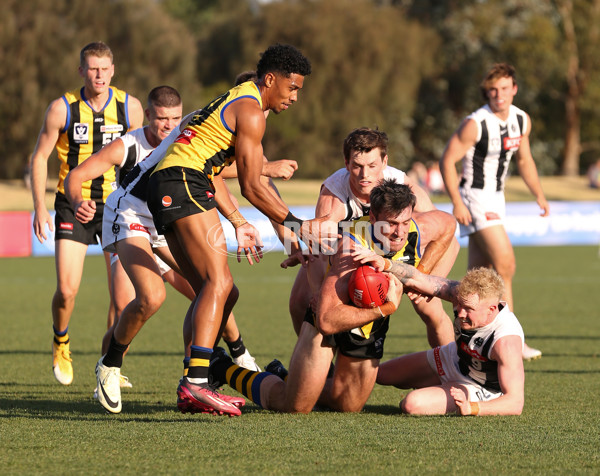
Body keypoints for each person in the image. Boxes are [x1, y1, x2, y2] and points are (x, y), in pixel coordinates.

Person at [209, 180, 456, 413]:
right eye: (391, 224)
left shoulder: (416, 228)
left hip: (368, 328)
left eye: (404, 222)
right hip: (328, 322)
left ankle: (287, 376)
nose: (399, 233)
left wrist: (419, 272)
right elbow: (327, 320)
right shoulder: (352, 251)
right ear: (373, 219)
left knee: (347, 405)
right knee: (294, 406)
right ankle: (221, 367)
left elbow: (448, 225)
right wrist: (385, 309)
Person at [30, 41, 144, 386]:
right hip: (72, 204)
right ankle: (61, 340)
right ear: (81, 70)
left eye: (104, 68)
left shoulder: (130, 107)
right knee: (67, 290)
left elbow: (141, 160)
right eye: (92, 68)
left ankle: (108, 365)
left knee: (124, 301)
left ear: (113, 71)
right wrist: (38, 207)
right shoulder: (62, 109)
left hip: (115, 208)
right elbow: (39, 158)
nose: (99, 75)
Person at [285, 128, 458, 347]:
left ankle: (449, 367)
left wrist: (420, 276)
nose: (364, 175)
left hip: (397, 249)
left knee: (429, 309)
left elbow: (445, 234)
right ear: (346, 163)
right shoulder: (334, 194)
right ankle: (323, 369)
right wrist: (319, 290)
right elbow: (319, 248)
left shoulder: (401, 186)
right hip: (351, 250)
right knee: (301, 302)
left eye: (372, 166)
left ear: (384, 162)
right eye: (357, 166)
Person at [439, 63, 549, 361]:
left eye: (503, 88)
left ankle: (464, 340)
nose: (498, 95)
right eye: (491, 90)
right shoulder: (476, 123)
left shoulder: (521, 120)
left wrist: (538, 193)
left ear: (514, 88)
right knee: (505, 265)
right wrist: (457, 202)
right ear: (486, 92)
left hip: (497, 198)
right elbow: (447, 161)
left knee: (478, 275)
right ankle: (513, 341)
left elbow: (524, 160)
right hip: (475, 197)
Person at [352, 253, 524, 416]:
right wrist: (385, 264)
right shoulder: (463, 295)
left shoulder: (506, 341)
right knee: (378, 374)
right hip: (453, 359)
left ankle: (441, 392)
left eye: (469, 309)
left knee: (411, 404)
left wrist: (472, 407)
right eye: (460, 305)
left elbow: (515, 403)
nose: (461, 313)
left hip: (478, 387)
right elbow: (416, 278)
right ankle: (441, 389)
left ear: (491, 309)